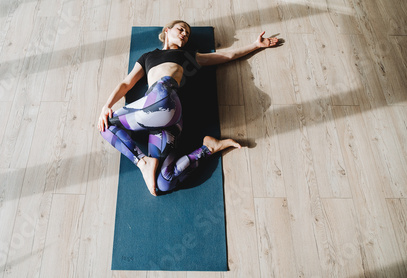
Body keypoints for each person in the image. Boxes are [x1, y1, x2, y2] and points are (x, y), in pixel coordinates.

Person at [97, 20, 278, 196]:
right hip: (166, 121)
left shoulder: (187, 55)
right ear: (167, 30)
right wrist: (107, 105)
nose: (184, 35)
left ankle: (142, 162)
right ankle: (208, 148)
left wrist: (256, 45)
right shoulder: (147, 57)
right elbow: (127, 83)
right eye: (181, 29)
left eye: (187, 34)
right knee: (164, 181)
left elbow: (226, 56)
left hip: (166, 101)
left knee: (108, 125)